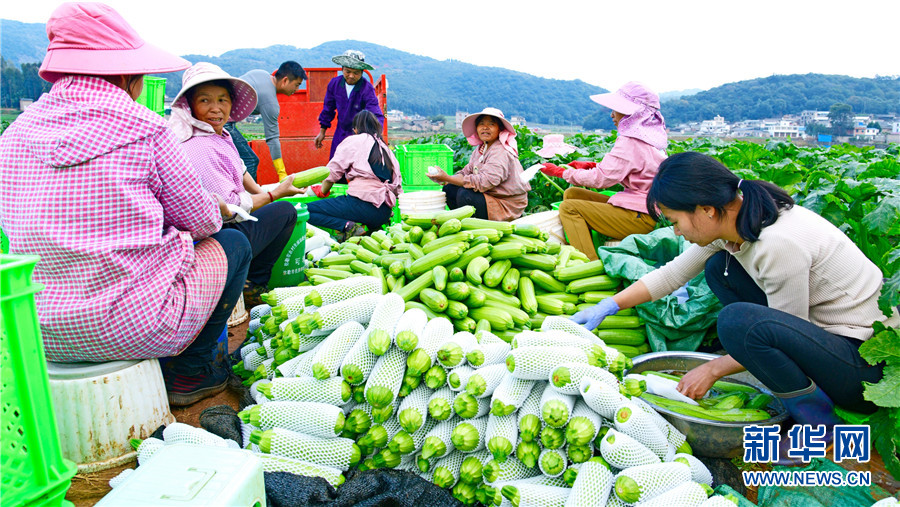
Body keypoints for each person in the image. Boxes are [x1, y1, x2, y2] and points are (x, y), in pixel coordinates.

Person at [0, 2, 252, 406]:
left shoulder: (13, 136)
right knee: (235, 245)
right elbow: (202, 221)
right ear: (126, 74)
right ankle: (190, 373)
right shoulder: (145, 128)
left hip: (37, 329)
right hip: (129, 324)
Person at [572, 152, 897, 464]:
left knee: (738, 322)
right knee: (719, 270)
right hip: (823, 340)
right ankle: (780, 380)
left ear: (706, 210)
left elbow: (784, 325)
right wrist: (609, 305)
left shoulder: (778, 244)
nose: (676, 231)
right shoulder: (735, 218)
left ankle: (820, 427)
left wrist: (714, 368)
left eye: (675, 221)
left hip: (862, 367)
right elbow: (672, 274)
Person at [169, 62, 306, 307]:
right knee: (285, 212)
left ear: (231, 103)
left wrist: (264, 190)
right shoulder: (198, 145)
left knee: (277, 208)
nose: (216, 108)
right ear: (190, 105)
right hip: (218, 233)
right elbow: (232, 208)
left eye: (222, 100)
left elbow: (240, 168)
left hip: (229, 221)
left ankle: (249, 275)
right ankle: (253, 281)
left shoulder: (219, 134)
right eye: (205, 101)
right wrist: (275, 194)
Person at [540, 82, 667, 260]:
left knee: (569, 208)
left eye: (616, 109)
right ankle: (586, 244)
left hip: (641, 216)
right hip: (646, 209)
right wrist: (591, 165)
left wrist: (561, 172)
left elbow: (601, 179)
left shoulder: (630, 140)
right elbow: (630, 166)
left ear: (633, 113)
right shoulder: (650, 139)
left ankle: (588, 263)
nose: (612, 114)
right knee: (573, 193)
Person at [307, 110, 401, 239]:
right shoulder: (386, 149)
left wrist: (322, 191)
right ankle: (367, 229)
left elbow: (333, 171)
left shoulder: (354, 140)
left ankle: (347, 226)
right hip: (384, 212)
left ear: (356, 129)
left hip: (361, 205)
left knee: (303, 211)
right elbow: (397, 188)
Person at [427, 107, 531, 221]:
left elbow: (486, 181)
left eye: (491, 124)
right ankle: (462, 224)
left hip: (505, 203)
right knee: (450, 188)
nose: (485, 127)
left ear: (499, 129)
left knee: (465, 195)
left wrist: (447, 177)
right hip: (490, 196)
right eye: (481, 124)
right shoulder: (480, 149)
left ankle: (475, 227)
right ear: (476, 128)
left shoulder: (500, 151)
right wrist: (447, 179)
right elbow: (466, 172)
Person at [224, 61, 307, 181]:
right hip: (223, 123)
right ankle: (249, 197)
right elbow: (272, 139)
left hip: (215, 116)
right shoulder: (270, 103)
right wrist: (281, 173)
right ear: (285, 81)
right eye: (296, 84)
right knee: (251, 160)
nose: (297, 89)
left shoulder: (261, 73)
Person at [314, 50, 385, 158]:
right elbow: (328, 109)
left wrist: (375, 136)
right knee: (337, 165)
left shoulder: (367, 88)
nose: (351, 76)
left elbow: (375, 114)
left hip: (360, 134)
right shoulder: (334, 84)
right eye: (347, 71)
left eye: (356, 73)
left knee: (358, 168)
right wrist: (322, 132)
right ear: (342, 69)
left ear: (362, 72)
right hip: (341, 132)